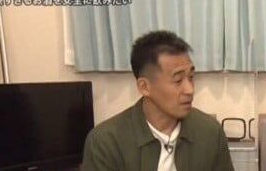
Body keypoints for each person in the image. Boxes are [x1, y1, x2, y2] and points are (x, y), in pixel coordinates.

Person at [82, 29, 234, 171]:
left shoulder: (210, 132)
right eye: (178, 80)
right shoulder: (105, 142)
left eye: (191, 77)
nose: (190, 90)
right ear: (144, 87)